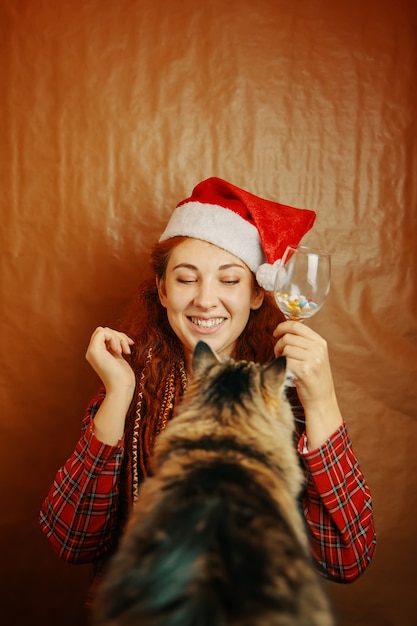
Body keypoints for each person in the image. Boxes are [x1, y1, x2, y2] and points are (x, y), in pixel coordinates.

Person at [40, 177, 376, 607]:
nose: (205, 299)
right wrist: (118, 394)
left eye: (230, 281)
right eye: (186, 279)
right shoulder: (134, 384)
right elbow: (71, 540)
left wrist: (322, 401)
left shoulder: (282, 393)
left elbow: (347, 560)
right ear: (162, 290)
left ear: (257, 293)